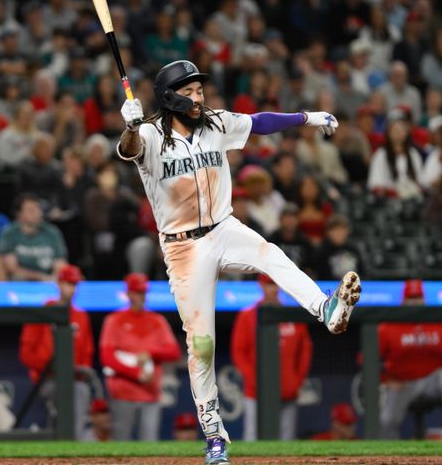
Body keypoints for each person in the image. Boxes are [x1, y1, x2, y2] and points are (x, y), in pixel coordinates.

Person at [117, 60, 361, 464]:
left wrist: (308, 116)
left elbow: (260, 122)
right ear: (169, 97)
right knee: (202, 344)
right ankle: (214, 437)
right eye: (189, 92)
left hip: (222, 227)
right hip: (182, 248)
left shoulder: (215, 123)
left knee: (272, 253)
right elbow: (129, 150)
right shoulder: (147, 134)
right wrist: (128, 126)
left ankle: (326, 308)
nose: (198, 97)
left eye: (199, 90)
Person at [378, 279, 442, 440]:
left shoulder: (439, 323)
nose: (414, 302)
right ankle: (389, 453)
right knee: (387, 422)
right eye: (411, 298)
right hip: (402, 384)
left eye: (417, 297)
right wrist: (386, 380)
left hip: (431, 380)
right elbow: (366, 359)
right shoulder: (388, 326)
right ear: (403, 301)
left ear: (424, 300)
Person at [231, 274, 313, 441]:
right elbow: (239, 352)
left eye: (275, 284)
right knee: (252, 437)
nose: (272, 289)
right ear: (260, 285)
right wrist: (256, 380)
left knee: (286, 439)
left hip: (288, 390)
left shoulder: (292, 315)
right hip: (256, 391)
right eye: (268, 284)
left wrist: (296, 380)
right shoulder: (247, 316)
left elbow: (305, 350)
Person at [100, 273, 181, 441]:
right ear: (129, 293)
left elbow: (174, 352)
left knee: (149, 446)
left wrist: (151, 353)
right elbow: (107, 357)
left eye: (143, 292)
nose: (140, 297)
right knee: (120, 445)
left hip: (150, 392)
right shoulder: (114, 320)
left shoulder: (157, 320)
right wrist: (136, 373)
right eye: (137, 292)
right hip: (123, 391)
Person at [19, 264, 94, 440]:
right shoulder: (43, 311)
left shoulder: (81, 316)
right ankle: (72, 443)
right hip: (47, 379)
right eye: (68, 284)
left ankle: (72, 441)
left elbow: (87, 352)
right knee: (75, 393)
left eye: (75, 284)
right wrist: (50, 368)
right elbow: (26, 352)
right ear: (59, 284)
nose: (72, 289)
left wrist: (76, 370)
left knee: (80, 390)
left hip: (74, 380)